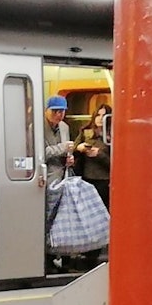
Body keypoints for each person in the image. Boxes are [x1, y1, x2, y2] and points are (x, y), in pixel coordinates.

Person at [73, 104, 112, 268]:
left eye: (104, 115)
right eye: (98, 115)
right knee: (86, 219)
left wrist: (100, 155)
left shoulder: (112, 136)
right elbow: (74, 150)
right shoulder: (85, 132)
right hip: (87, 181)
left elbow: (116, 163)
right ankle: (83, 255)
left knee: (100, 221)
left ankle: (94, 258)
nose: (100, 119)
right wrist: (79, 149)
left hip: (104, 181)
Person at [42, 95, 75, 274]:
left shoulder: (65, 128)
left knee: (62, 219)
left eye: (62, 111)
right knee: (47, 220)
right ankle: (46, 257)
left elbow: (66, 152)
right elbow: (40, 152)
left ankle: (61, 256)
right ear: (47, 111)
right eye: (55, 111)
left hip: (62, 177)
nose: (59, 115)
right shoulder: (36, 127)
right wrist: (62, 149)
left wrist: (69, 158)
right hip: (46, 179)